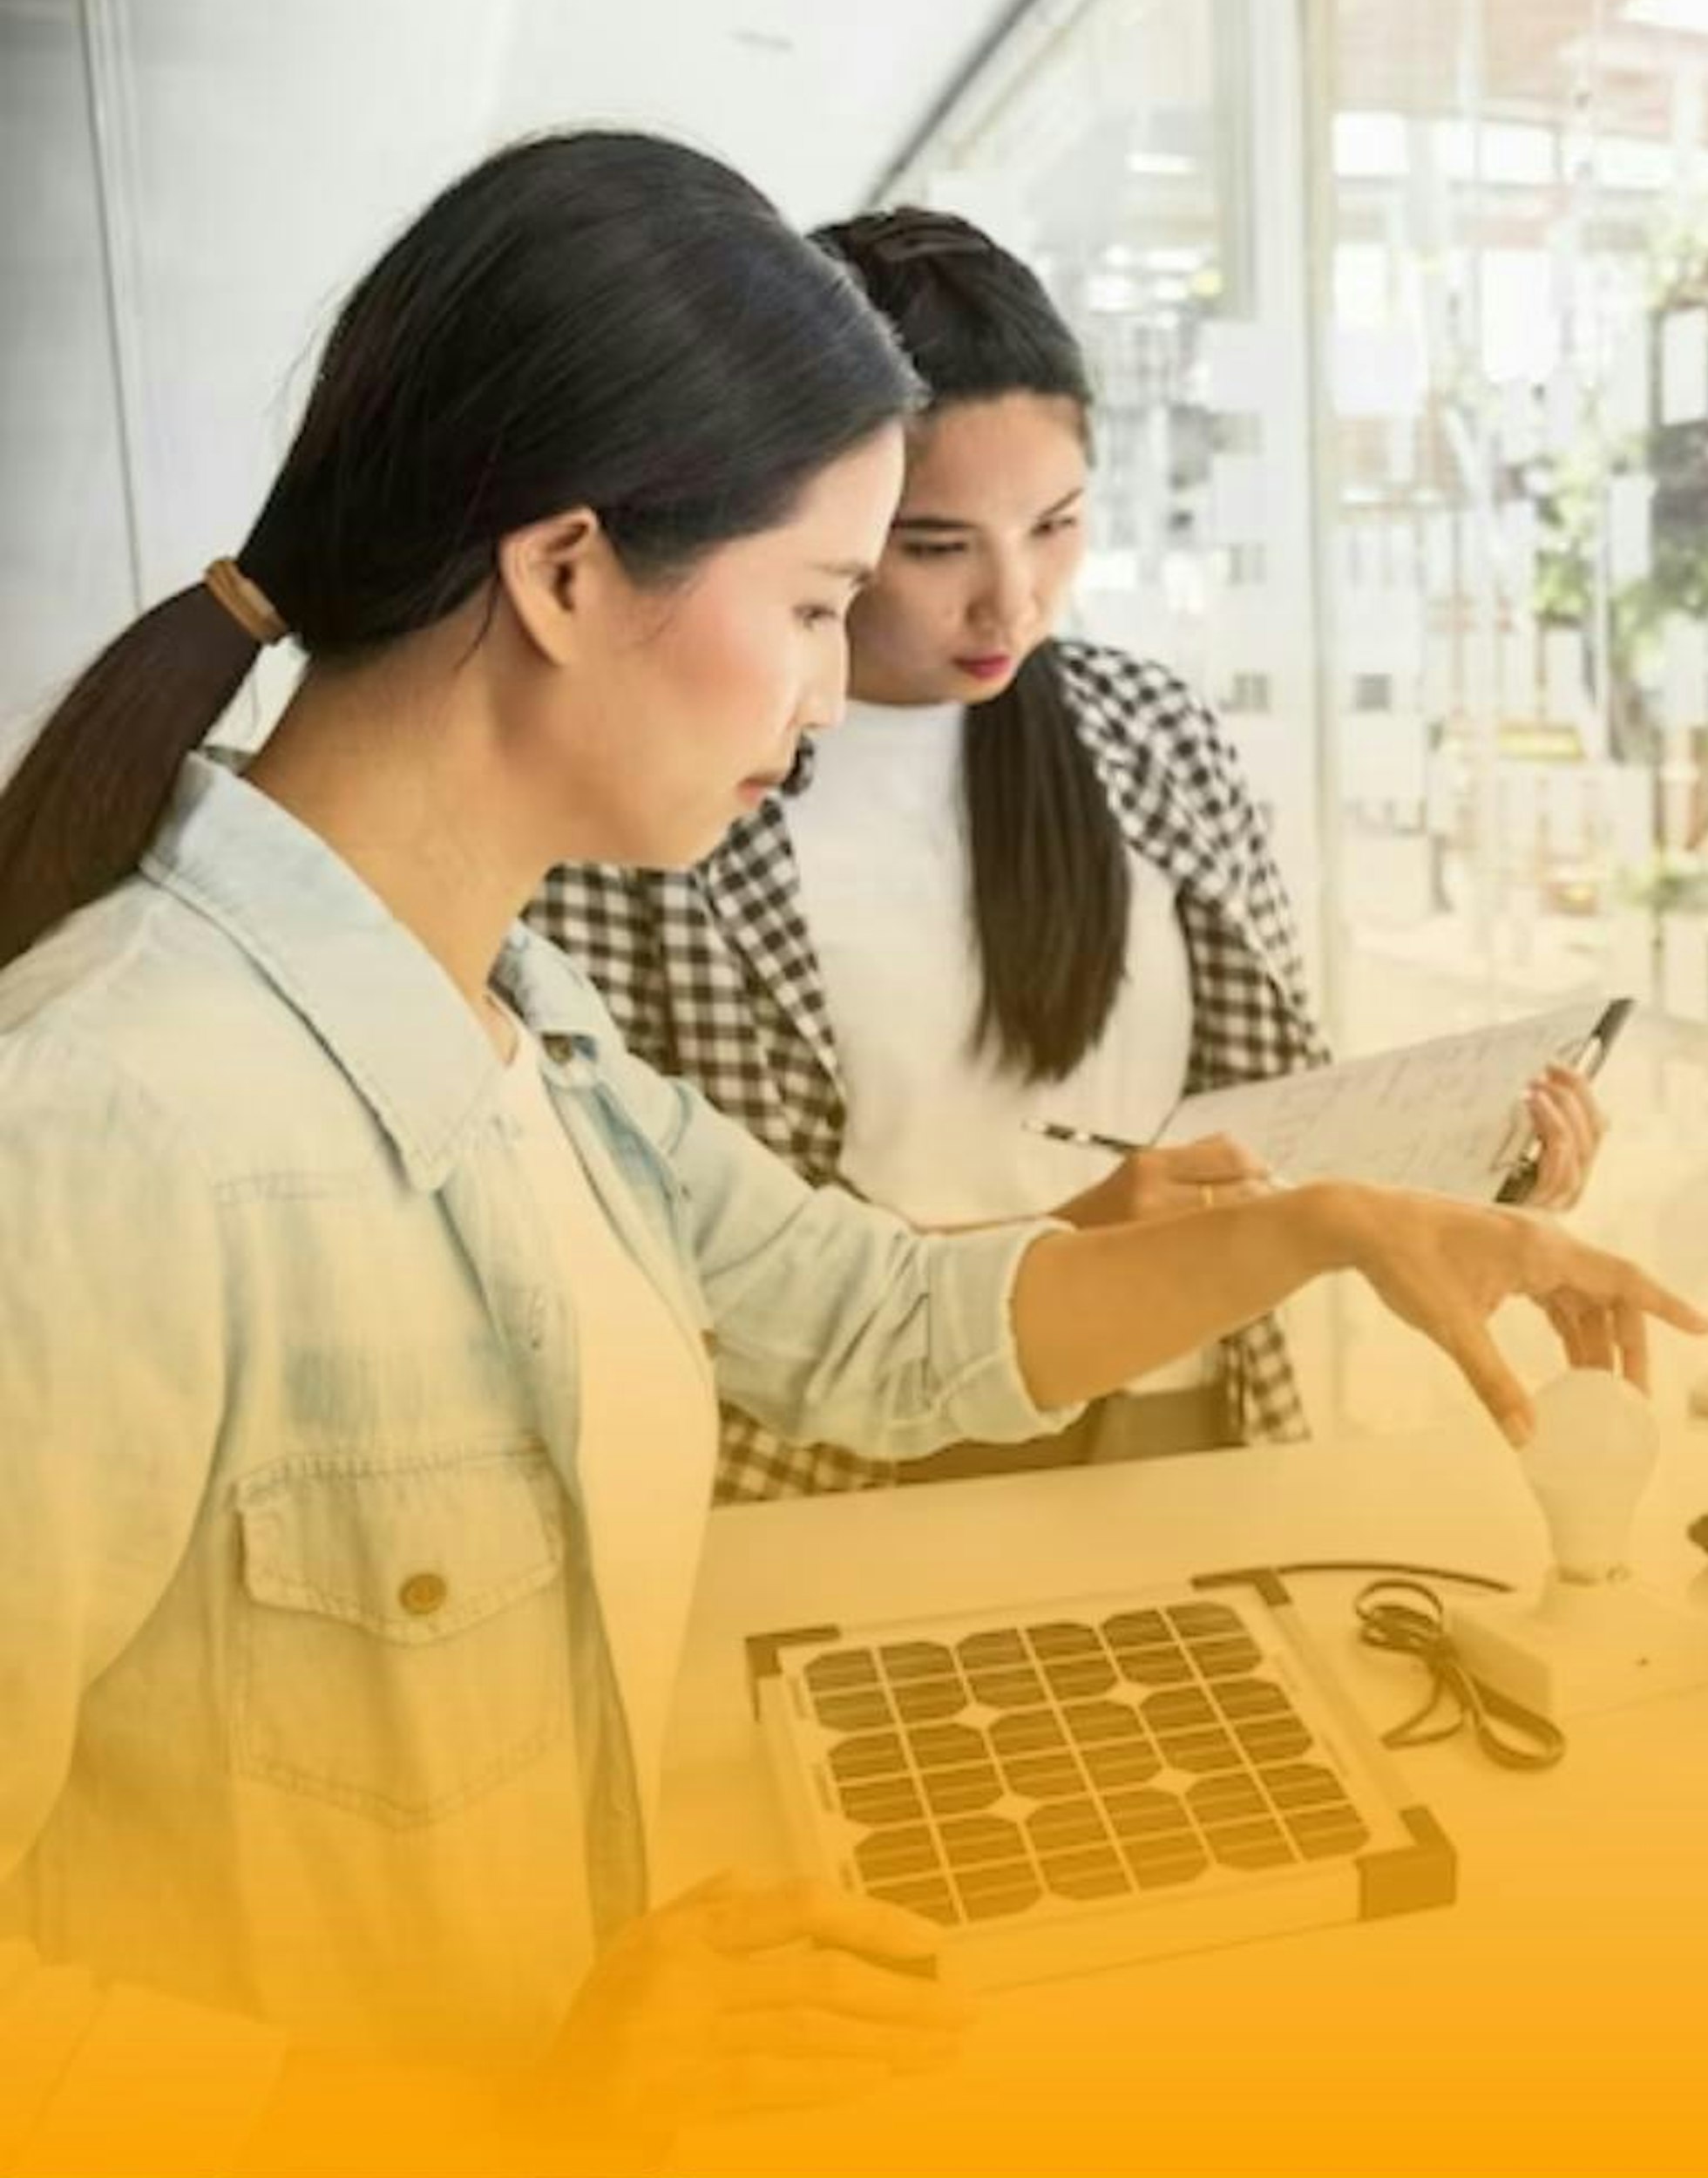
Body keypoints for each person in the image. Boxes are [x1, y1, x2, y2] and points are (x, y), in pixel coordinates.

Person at [0, 130, 1703, 2165]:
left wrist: (1336, 1222)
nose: (824, 705)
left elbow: (880, 1319)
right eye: (817, 603)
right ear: (563, 573)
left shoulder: (516, 1017)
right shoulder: (97, 1132)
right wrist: (506, 2104)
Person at [531, 205, 1607, 1493]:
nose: (1015, 602)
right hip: (829, 1459)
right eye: (935, 547)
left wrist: (1483, 1159)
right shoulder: (663, 776)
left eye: (1057, 526)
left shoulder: (1142, 728)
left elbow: (1281, 1121)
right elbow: (649, 1247)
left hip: (1175, 1405)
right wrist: (1058, 1238)